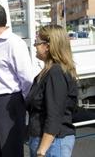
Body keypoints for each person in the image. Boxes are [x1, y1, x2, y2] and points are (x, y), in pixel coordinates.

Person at [0, 2, 34, 157]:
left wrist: (18, 104)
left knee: (10, 151)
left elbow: (27, 79)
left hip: (8, 103)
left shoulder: (14, 44)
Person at [26, 25, 78, 157]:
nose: (34, 46)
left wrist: (42, 150)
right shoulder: (48, 72)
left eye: (37, 42)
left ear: (47, 46)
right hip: (47, 142)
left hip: (52, 144)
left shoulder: (56, 73)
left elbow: (54, 115)